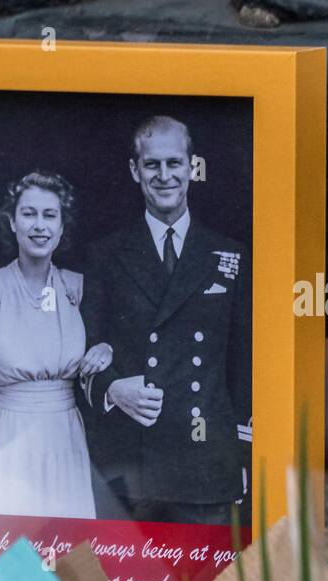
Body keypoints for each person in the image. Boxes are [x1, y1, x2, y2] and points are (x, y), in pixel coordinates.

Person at [79, 116, 251, 525]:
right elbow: (82, 347)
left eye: (174, 163)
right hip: (128, 460)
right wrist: (113, 388)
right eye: (152, 164)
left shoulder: (231, 255)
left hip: (205, 460)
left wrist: (242, 450)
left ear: (192, 166)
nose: (164, 175)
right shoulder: (105, 254)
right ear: (135, 170)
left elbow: (244, 364)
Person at [0, 171, 111, 518]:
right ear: (11, 221)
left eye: (50, 215)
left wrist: (106, 348)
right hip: (6, 433)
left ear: (63, 226)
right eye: (29, 213)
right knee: (8, 553)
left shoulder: (78, 289)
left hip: (65, 435)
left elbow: (109, 346)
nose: (40, 226)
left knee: (66, 554)